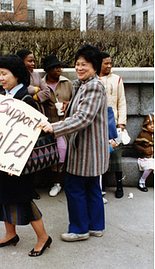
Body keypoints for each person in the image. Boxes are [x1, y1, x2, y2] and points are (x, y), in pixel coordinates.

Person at [0, 54, 52, 257]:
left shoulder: (26, 100)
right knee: (1, 195)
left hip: (17, 162)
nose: (1, 78)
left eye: (4, 74)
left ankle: (43, 238)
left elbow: (31, 138)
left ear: (17, 75)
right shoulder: (4, 96)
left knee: (22, 198)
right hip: (0, 159)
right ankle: (10, 233)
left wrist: (16, 164)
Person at [41, 44, 110, 242]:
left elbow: (83, 118)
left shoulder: (94, 86)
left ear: (95, 67)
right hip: (89, 148)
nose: (79, 68)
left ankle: (79, 229)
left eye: (85, 65)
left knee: (74, 187)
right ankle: (96, 226)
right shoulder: (84, 85)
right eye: (78, 64)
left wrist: (55, 127)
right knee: (92, 187)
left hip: (86, 148)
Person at [16, 49, 51, 199]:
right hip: (22, 119)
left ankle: (31, 187)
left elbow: (47, 91)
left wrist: (34, 94)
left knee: (33, 153)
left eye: (33, 60)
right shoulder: (17, 75)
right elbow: (23, 90)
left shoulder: (36, 75)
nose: (33, 63)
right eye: (29, 60)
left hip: (37, 117)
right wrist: (35, 89)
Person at [42, 55, 72, 197]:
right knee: (53, 156)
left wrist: (68, 105)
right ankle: (56, 183)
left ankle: (68, 183)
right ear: (47, 70)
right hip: (50, 126)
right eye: (55, 68)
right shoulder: (42, 85)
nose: (59, 70)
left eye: (60, 67)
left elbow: (76, 101)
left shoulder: (68, 83)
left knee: (67, 152)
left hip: (67, 125)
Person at [99, 51, 127, 199]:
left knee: (116, 156)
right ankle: (101, 186)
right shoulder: (94, 79)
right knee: (101, 154)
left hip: (114, 122)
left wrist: (121, 122)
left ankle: (120, 185)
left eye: (110, 63)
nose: (109, 66)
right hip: (99, 123)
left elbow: (121, 101)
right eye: (106, 63)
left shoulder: (117, 79)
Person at [133, 114, 154, 192]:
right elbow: (135, 145)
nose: (152, 126)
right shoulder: (143, 134)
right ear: (146, 125)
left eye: (154, 124)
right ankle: (142, 182)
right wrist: (143, 150)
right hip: (146, 156)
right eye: (150, 124)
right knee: (150, 165)